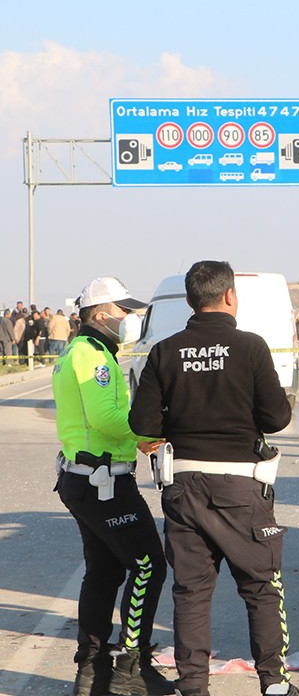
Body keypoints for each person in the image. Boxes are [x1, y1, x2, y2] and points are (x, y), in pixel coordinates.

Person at [129, 260, 297, 696]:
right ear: (229, 296)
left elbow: (142, 422)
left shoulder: (164, 351)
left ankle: (193, 689)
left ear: (189, 300)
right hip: (242, 486)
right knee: (261, 587)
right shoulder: (251, 347)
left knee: (191, 592)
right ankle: (275, 684)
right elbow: (277, 418)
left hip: (183, 486)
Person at [51, 276, 172, 696]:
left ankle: (92, 672)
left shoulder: (78, 351)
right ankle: (130, 668)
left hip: (83, 478)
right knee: (148, 566)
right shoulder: (95, 357)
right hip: (103, 482)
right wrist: (147, 431)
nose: (130, 318)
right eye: (124, 311)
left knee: (103, 572)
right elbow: (104, 416)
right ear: (101, 315)